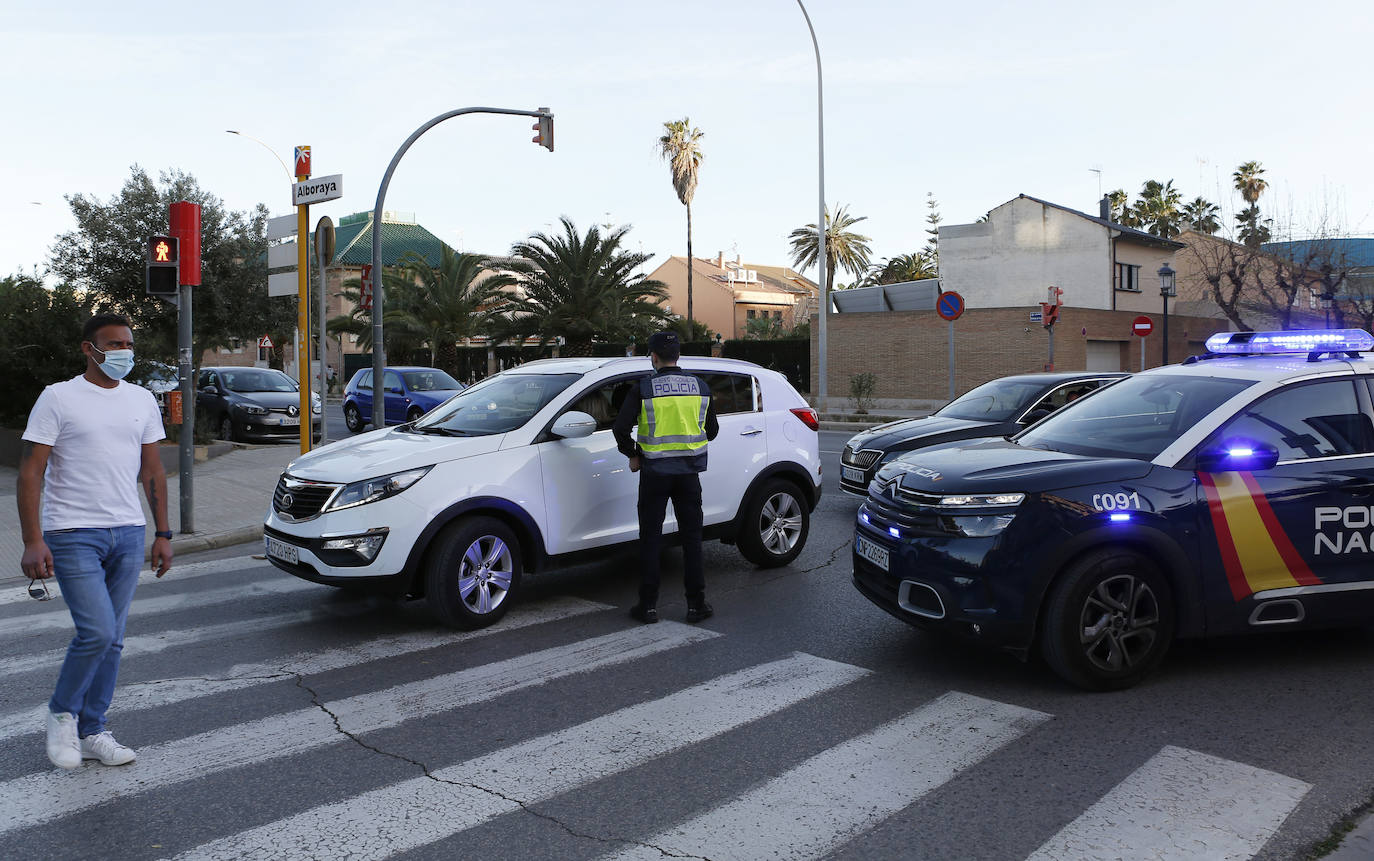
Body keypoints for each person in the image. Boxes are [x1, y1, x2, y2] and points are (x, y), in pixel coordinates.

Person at [18, 313, 174, 770]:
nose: (124, 351)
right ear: (89, 348)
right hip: (72, 533)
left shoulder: (142, 399)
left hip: (127, 531)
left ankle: (93, 730)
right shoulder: (59, 398)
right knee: (97, 631)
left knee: (114, 639)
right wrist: (32, 540)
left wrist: (163, 533)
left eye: (128, 343)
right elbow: (30, 471)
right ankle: (60, 713)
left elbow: (153, 470)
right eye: (114, 344)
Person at [612, 331, 719, 624]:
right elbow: (712, 431)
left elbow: (620, 428)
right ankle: (697, 605)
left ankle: (647, 607)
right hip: (688, 474)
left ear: (654, 357)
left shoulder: (643, 388)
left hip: (654, 473)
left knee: (650, 539)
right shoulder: (700, 387)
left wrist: (633, 453)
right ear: (678, 356)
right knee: (692, 540)